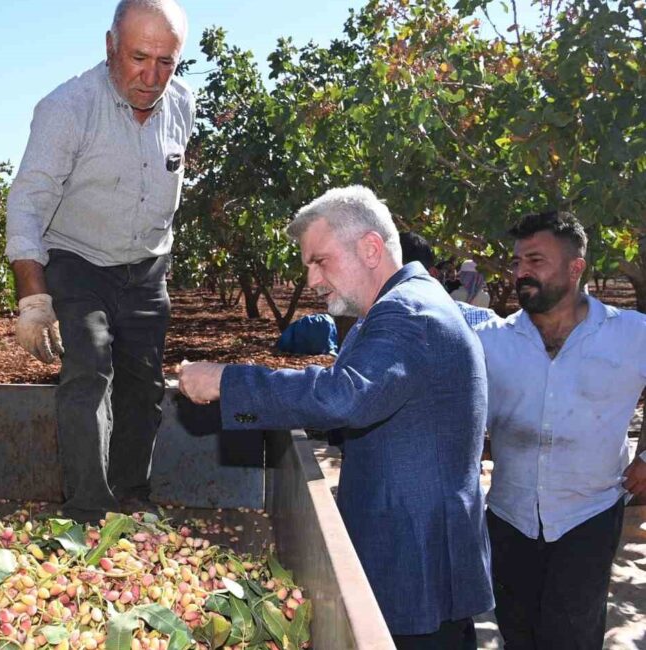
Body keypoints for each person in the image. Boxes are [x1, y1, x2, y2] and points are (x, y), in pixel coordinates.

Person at [178, 186, 493, 648]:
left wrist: (226, 381)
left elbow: (344, 396)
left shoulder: (407, 313)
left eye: (319, 261)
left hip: (414, 562)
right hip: (415, 549)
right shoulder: (401, 306)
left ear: (370, 248)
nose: (310, 280)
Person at [4, 0, 194, 523]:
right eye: (138, 57)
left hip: (147, 269)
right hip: (79, 261)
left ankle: (133, 494)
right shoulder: (67, 108)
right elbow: (28, 199)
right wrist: (34, 298)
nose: (151, 76)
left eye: (165, 62)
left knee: (145, 384)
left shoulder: (183, 104)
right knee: (87, 369)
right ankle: (87, 512)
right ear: (110, 45)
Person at [474, 211, 646, 650]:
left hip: (587, 514)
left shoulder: (630, 335)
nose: (522, 272)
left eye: (536, 260)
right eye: (517, 263)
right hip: (510, 516)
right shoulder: (494, 341)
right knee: (517, 632)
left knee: (569, 636)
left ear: (575, 268)